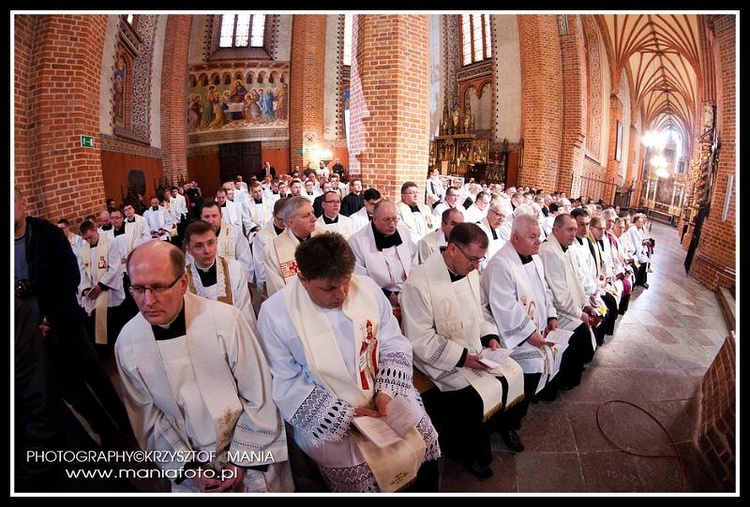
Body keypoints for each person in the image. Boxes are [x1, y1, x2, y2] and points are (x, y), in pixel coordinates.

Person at [256, 233, 441, 492]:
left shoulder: (367, 288)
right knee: (365, 477)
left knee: (425, 444)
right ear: (303, 279)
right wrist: (345, 415)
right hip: (329, 417)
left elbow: (392, 341)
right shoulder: (276, 314)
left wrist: (386, 391)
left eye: (345, 282)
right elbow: (286, 380)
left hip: (384, 396)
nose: (342, 294)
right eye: (329, 288)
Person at [115, 240, 293, 493]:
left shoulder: (225, 321)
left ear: (183, 284)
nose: (148, 300)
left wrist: (240, 460)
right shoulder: (129, 342)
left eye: (158, 287)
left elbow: (259, 394)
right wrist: (191, 469)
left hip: (248, 454)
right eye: (138, 288)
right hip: (191, 467)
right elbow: (148, 418)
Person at [400, 223, 527, 480]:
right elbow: (420, 338)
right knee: (472, 400)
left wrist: (490, 337)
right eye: (473, 259)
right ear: (453, 250)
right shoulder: (419, 283)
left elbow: (480, 309)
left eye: (480, 260)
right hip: (438, 362)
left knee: (512, 375)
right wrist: (462, 357)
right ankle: (466, 452)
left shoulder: (469, 272)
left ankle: (502, 425)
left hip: (475, 350)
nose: (477, 266)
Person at [14, 186, 132, 452]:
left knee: (96, 378)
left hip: (65, 324)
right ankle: (106, 434)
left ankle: (127, 427)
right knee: (71, 391)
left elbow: (69, 277)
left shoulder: (46, 234)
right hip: (32, 339)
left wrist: (49, 319)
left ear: (23, 203)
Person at [481, 214, 586, 405]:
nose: (539, 241)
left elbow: (545, 291)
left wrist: (552, 317)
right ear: (516, 238)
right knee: (535, 361)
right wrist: (530, 334)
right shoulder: (501, 264)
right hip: (512, 336)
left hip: (538, 328)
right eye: (533, 237)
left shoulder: (535, 258)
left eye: (539, 235)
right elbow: (506, 308)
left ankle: (540, 393)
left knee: (560, 347)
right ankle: (518, 410)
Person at [536, 213, 598, 385]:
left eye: (575, 230)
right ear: (556, 229)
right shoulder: (549, 250)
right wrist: (579, 314)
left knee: (587, 327)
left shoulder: (566, 248)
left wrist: (585, 305)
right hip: (556, 309)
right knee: (581, 332)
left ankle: (572, 372)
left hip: (568, 307)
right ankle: (565, 380)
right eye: (569, 229)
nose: (573, 234)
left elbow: (575, 281)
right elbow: (559, 294)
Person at [183, 220, 257, 332]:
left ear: (217, 242)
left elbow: (245, 312)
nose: (207, 250)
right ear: (189, 250)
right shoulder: (184, 279)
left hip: (234, 333)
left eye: (210, 243)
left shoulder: (234, 269)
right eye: (199, 246)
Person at [348, 199, 418, 315]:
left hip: (407, 293)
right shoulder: (357, 242)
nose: (392, 224)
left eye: (394, 219)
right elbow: (358, 277)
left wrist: (410, 288)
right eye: (386, 220)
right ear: (374, 219)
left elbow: (414, 260)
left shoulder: (403, 232)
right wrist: (386, 294)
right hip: (377, 299)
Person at [77, 219, 127, 352]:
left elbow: (114, 268)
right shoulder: (83, 250)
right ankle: (105, 350)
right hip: (94, 291)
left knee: (112, 321)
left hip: (109, 290)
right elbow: (82, 272)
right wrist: (86, 288)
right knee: (97, 320)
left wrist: (101, 286)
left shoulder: (110, 243)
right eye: (85, 239)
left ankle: (119, 347)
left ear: (95, 230)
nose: (89, 241)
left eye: (90, 237)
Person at [263, 196, 326, 297]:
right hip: (296, 307)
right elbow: (278, 290)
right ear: (290, 222)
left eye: (313, 213)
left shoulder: (325, 237)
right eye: (306, 216)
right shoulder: (273, 250)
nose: (314, 219)